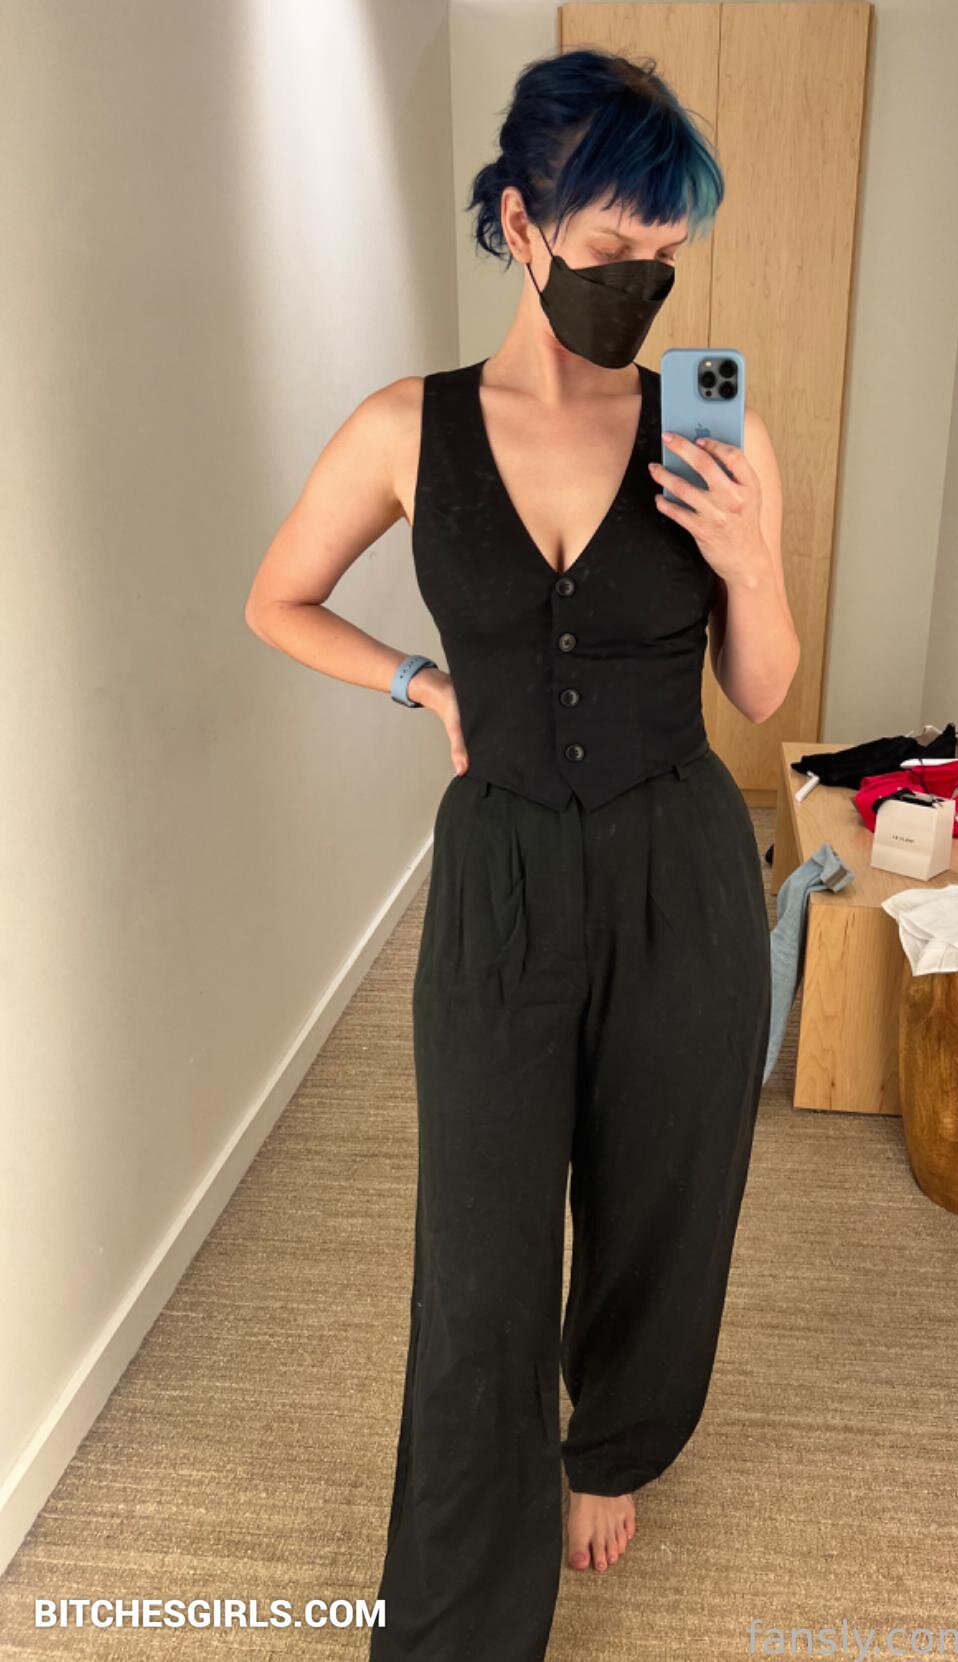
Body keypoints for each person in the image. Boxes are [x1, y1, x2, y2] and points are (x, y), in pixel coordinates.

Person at [244, 45, 799, 1662]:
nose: (643, 284)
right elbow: (277, 599)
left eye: (665, 257)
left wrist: (751, 557)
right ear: (520, 223)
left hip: (680, 867)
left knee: (664, 1192)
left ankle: (607, 1444)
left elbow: (763, 691)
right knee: (479, 1249)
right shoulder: (404, 429)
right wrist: (416, 683)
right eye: (614, 247)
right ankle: (460, 1617)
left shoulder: (713, 430)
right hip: (497, 879)